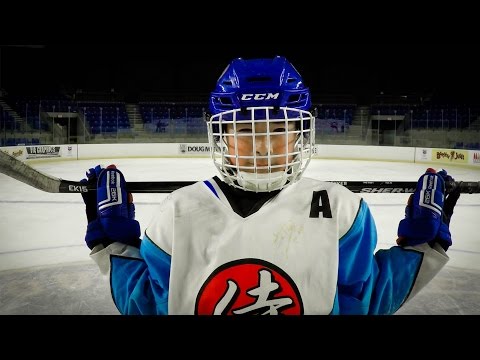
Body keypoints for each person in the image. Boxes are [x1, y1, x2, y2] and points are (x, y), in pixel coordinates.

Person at [80, 56, 461, 315]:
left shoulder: (342, 211)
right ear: (221, 136)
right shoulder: (178, 211)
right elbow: (152, 302)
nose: (262, 144)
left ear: (300, 134)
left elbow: (363, 298)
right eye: (245, 130)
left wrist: (422, 248)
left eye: (279, 129)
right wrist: (113, 244)